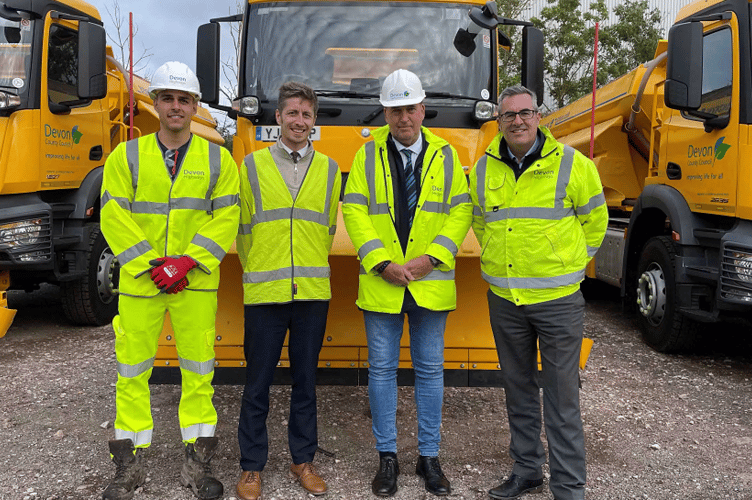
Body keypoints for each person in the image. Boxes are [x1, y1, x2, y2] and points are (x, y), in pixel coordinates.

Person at [99, 61, 240, 500]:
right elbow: (113, 214)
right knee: (132, 372)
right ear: (155, 103)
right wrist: (151, 264)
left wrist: (185, 262)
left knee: (199, 372)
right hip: (143, 284)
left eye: (184, 99)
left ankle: (197, 465)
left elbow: (227, 216)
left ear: (195, 106)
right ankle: (129, 464)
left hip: (193, 283)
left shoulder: (218, 159)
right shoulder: (126, 156)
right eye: (168, 98)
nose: (176, 106)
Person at [468, 85, 608, 500]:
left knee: (562, 398)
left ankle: (568, 488)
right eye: (509, 115)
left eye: (525, 113)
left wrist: (565, 265)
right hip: (505, 300)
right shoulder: (482, 169)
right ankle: (527, 470)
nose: (518, 121)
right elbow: (482, 223)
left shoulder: (573, 164)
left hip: (558, 301)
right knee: (518, 389)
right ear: (499, 122)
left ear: (538, 116)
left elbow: (595, 223)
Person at [342, 69, 472, 497]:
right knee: (381, 371)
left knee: (430, 372)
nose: (404, 118)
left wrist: (431, 258)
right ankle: (388, 458)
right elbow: (355, 211)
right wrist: (381, 263)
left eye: (410, 109)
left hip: (430, 281)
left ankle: (429, 457)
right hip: (383, 282)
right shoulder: (364, 156)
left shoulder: (447, 155)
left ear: (422, 109)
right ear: (385, 113)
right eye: (395, 110)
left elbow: (460, 211)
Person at [235, 82, 341, 500]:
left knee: (306, 382)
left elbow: (327, 229)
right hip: (265, 293)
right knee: (256, 383)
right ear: (277, 118)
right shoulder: (251, 166)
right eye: (292, 113)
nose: (300, 121)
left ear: (314, 122)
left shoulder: (331, 170)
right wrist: (262, 268)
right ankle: (251, 467)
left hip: (312, 293)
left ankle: (303, 460)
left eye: (307, 115)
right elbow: (244, 230)